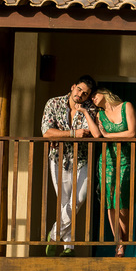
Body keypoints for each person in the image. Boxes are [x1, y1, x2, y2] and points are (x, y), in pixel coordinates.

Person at [40, 75, 97, 256]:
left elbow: (93, 133)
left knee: (78, 200)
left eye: (85, 94)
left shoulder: (90, 109)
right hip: (59, 160)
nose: (81, 95)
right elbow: (47, 132)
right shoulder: (54, 103)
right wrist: (72, 134)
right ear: (72, 87)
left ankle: (54, 235)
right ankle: (68, 248)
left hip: (81, 160)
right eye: (79, 89)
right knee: (64, 203)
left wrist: (61, 135)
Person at [83, 88, 136, 257]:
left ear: (105, 93)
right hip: (106, 161)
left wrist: (108, 136)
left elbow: (132, 133)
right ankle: (119, 244)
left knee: (121, 202)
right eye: (90, 98)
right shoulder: (99, 115)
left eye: (94, 95)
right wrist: (85, 112)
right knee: (109, 202)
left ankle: (124, 241)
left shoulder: (126, 107)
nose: (92, 99)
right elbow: (98, 135)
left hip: (125, 160)